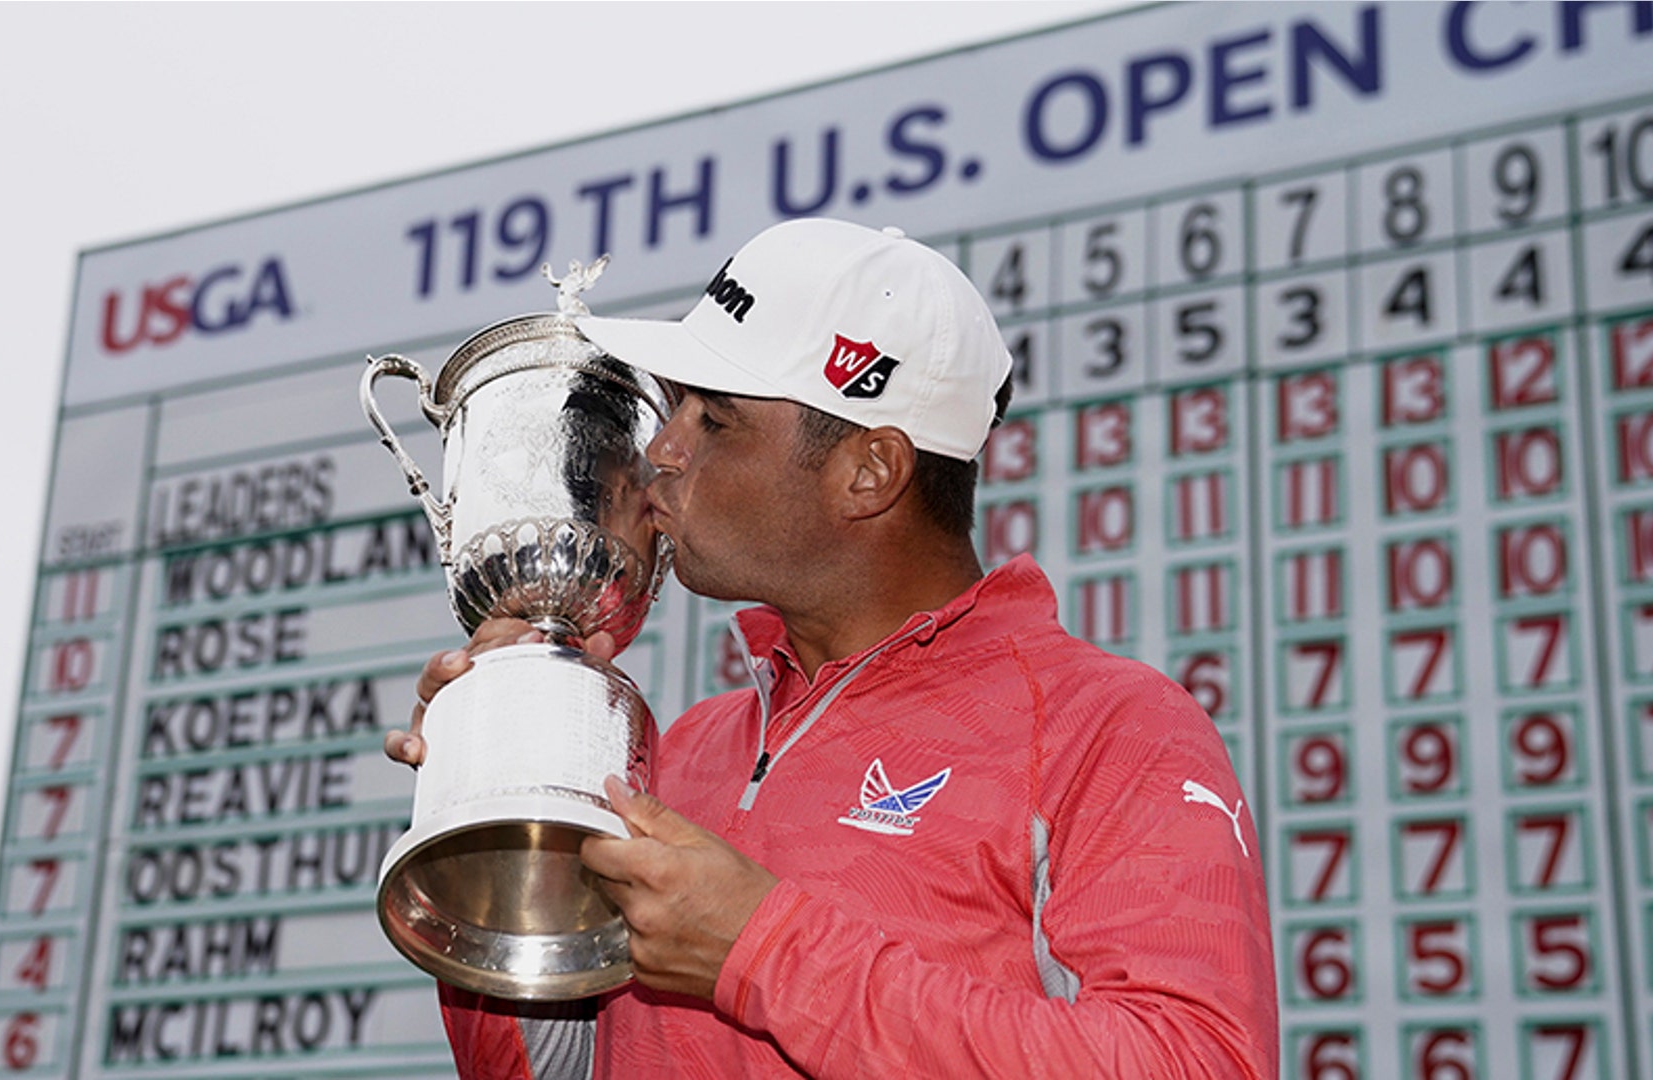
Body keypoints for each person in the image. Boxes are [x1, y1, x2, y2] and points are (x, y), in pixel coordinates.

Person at [385, 218, 1277, 1078]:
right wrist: (490, 823)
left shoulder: (1107, 727)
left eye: (714, 418)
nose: (661, 447)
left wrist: (763, 947)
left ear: (869, 472)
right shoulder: (680, 747)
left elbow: (1196, 1063)